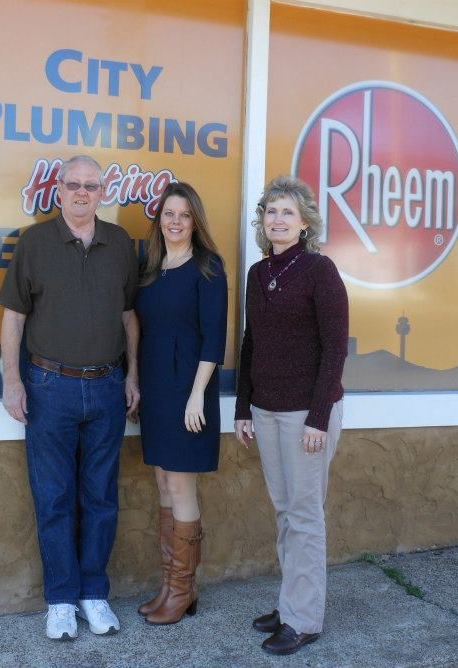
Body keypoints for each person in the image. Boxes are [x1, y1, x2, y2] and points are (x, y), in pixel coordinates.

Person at [0, 155, 141, 640]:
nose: (83, 193)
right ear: (58, 190)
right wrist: (11, 380)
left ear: (103, 193)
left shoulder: (119, 243)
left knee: (100, 497)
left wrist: (132, 375)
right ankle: (61, 600)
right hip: (48, 387)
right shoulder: (35, 242)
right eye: (74, 184)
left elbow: (128, 317)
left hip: (106, 386)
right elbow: (13, 317)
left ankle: (93, 595)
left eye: (92, 186)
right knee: (54, 497)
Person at [234, 175, 348, 656]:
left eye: (286, 212)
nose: (276, 219)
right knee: (285, 511)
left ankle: (304, 619)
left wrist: (318, 416)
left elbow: (335, 348)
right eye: (270, 211)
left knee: (304, 516)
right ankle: (291, 603)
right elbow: (251, 342)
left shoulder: (320, 271)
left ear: (304, 223)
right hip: (267, 409)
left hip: (307, 412)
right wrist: (243, 407)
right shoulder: (258, 274)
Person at [133, 182, 227, 625]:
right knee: (162, 484)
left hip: (190, 391)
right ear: (160, 220)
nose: (175, 222)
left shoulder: (208, 267)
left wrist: (196, 396)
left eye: (184, 215)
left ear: (195, 221)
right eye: (168, 213)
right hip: (155, 389)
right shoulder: (152, 267)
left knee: (181, 488)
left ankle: (184, 589)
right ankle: (171, 587)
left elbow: (214, 337)